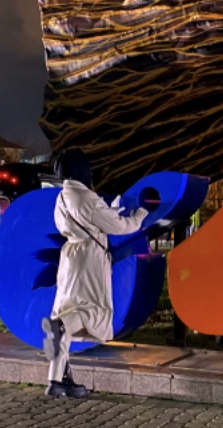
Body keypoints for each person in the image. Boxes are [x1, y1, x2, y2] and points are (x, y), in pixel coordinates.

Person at [42, 148, 149, 398]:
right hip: (89, 258)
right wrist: (137, 219)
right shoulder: (85, 197)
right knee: (93, 309)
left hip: (70, 257)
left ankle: (57, 379)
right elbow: (115, 226)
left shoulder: (62, 197)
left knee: (69, 308)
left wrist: (107, 211)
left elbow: (89, 220)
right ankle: (62, 325)